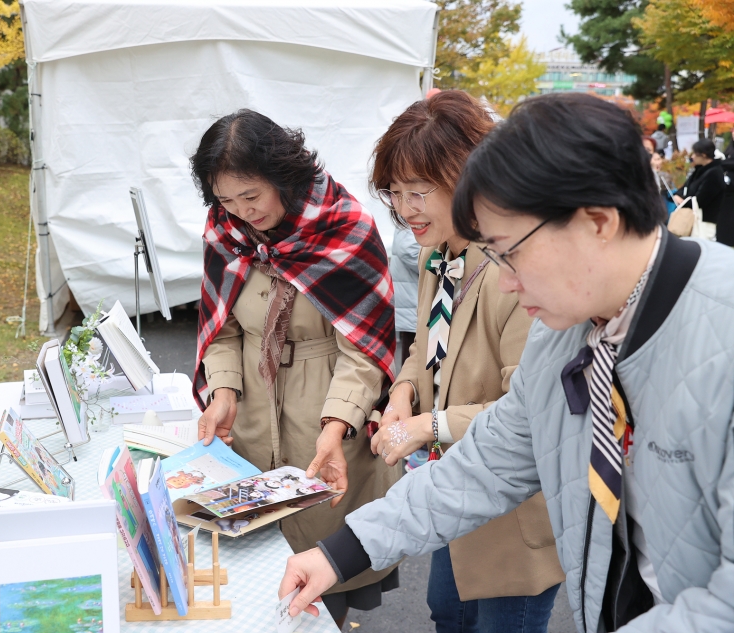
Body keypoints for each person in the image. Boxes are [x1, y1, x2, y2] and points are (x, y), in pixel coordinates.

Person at [280, 93, 734, 633]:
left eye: (510, 252)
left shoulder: (717, 336)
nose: (508, 281)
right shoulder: (566, 331)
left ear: (598, 222)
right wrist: (339, 554)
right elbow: (487, 463)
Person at [189, 109, 401, 626]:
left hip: (329, 420)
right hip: (254, 419)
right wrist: (223, 392)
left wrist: (336, 427)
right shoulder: (227, 231)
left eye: (251, 196)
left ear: (282, 177)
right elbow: (224, 328)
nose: (241, 213)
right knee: (255, 569)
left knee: (327, 566)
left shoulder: (346, 228)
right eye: (226, 200)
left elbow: (364, 350)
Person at [369, 90, 563, 632]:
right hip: (454, 490)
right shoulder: (440, 253)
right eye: (394, 192)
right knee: (447, 615)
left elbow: (529, 412)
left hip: (514, 514)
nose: (404, 209)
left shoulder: (515, 270)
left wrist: (426, 425)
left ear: (464, 176)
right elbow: (426, 350)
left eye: (417, 191)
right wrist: (405, 392)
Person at [673, 138, 726, 224]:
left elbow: (701, 200)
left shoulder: (714, 173)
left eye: (695, 154)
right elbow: (685, 187)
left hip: (705, 221)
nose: (692, 157)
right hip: (695, 219)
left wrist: (683, 201)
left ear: (703, 155)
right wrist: (678, 196)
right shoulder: (699, 170)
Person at [389, 226, 421, 363]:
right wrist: (442, 265)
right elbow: (408, 250)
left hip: (412, 300)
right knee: (414, 357)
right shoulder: (410, 218)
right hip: (413, 302)